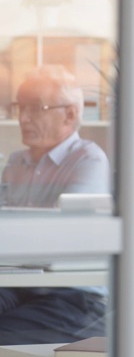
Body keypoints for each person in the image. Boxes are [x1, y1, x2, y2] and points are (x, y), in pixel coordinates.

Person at [0, 65, 110, 344]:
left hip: (71, 296)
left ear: (70, 114)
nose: (23, 118)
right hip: (17, 285)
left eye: (37, 108)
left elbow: (57, 240)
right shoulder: (15, 163)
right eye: (20, 107)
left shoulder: (89, 160)